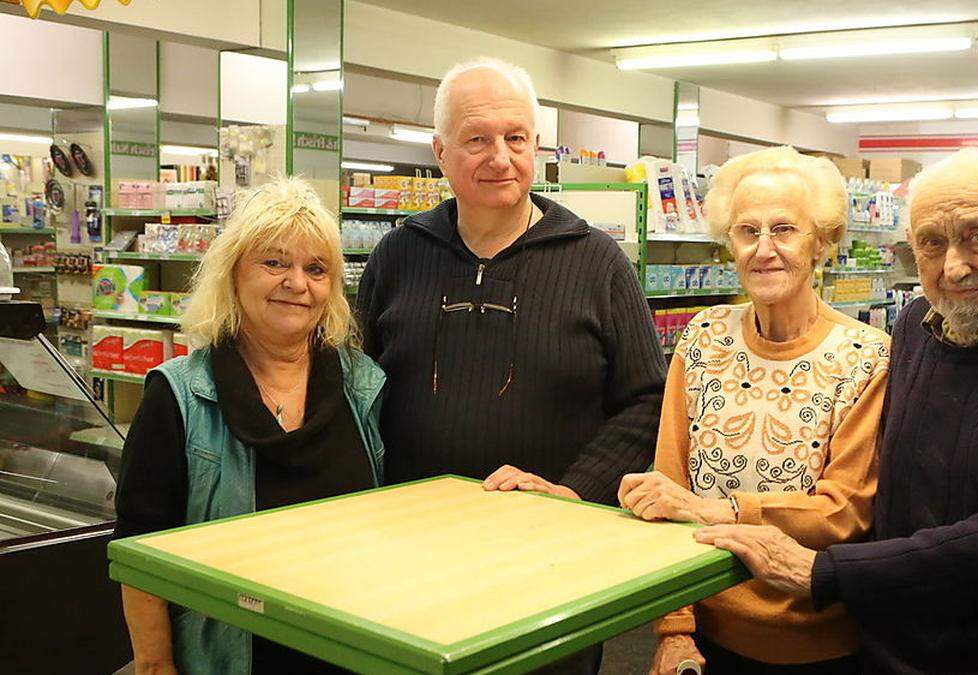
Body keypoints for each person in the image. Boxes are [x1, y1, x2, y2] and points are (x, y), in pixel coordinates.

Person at [695, 147, 978, 674]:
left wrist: (822, 571)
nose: (953, 267)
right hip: (896, 653)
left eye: (977, 236)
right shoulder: (916, 326)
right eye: (932, 243)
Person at [355, 57, 665, 673]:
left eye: (515, 138)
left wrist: (574, 492)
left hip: (549, 559)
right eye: (477, 140)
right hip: (408, 555)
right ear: (440, 152)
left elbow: (648, 400)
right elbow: (358, 386)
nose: (499, 156)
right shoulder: (398, 255)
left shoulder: (597, 261)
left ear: (536, 147)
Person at [618, 147, 888, 674]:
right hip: (707, 634)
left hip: (819, 643)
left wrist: (721, 510)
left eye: (784, 229)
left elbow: (843, 513)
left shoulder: (867, 355)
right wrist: (674, 628)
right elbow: (667, 491)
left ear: (823, 243)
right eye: (747, 231)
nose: (764, 249)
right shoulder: (703, 336)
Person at [114, 177, 386, 675]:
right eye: (275, 262)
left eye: (316, 268)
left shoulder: (363, 386)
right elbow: (140, 548)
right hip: (231, 658)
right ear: (233, 273)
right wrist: (154, 665)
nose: (297, 283)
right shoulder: (179, 396)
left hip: (351, 652)